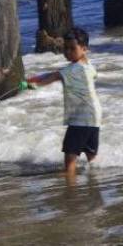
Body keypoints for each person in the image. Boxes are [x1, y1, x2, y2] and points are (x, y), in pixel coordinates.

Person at [25, 27, 101, 179]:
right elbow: (56, 74)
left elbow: (53, 77)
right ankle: (95, 182)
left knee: (70, 159)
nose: (67, 52)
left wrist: (32, 84)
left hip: (80, 118)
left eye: (72, 48)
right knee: (91, 156)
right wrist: (37, 77)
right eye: (65, 48)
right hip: (94, 118)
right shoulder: (89, 66)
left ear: (84, 49)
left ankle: (70, 188)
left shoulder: (70, 71)